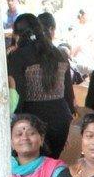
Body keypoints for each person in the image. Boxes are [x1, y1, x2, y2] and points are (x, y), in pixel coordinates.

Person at [7, 12, 75, 158]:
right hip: (60, 120)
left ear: (18, 34)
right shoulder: (60, 54)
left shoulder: (18, 56)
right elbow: (69, 94)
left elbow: (18, 95)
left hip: (31, 122)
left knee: (32, 168)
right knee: (50, 165)